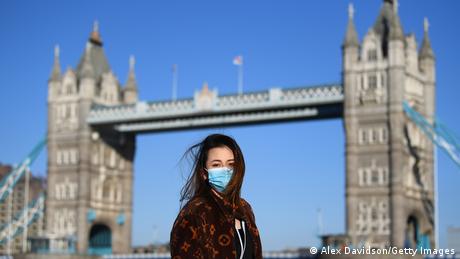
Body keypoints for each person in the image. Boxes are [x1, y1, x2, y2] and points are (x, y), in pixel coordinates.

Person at [170, 133, 262, 259]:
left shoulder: (245, 209)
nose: (225, 170)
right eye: (216, 165)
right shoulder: (194, 213)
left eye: (231, 164)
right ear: (204, 173)